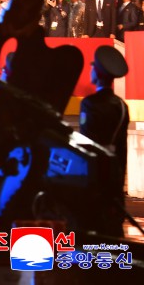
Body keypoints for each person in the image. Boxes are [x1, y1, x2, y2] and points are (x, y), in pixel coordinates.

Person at [79, 45, 130, 236]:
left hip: (95, 175)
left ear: (98, 73)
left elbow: (86, 144)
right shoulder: (121, 106)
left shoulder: (90, 103)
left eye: (93, 67)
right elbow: (122, 148)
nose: (91, 70)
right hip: (114, 173)